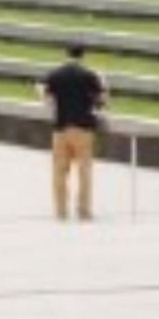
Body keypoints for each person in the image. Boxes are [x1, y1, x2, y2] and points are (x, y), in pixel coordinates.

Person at [41, 42, 109, 223]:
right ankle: (83, 211)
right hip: (83, 128)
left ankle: (61, 211)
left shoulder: (54, 74)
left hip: (61, 128)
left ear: (66, 54)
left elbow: (46, 98)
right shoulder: (90, 76)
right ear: (83, 55)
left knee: (59, 172)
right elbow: (101, 102)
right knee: (84, 172)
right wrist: (104, 86)